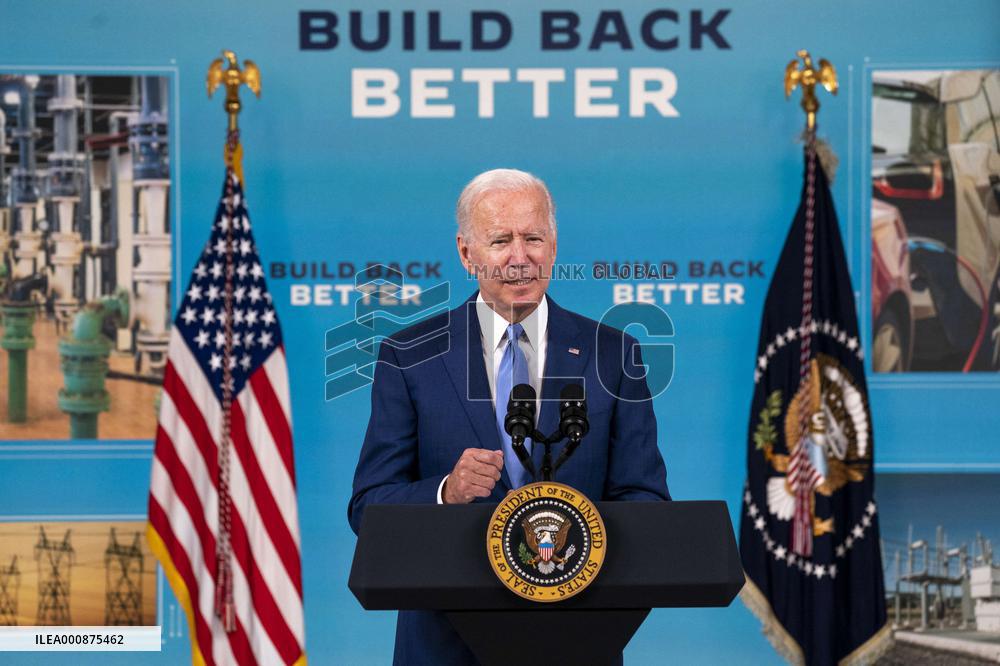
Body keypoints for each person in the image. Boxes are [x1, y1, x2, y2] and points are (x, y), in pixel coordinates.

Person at [348, 168, 670, 665]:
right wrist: (446, 492)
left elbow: (646, 500)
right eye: (501, 240)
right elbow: (368, 507)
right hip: (445, 644)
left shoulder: (613, 355)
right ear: (466, 253)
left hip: (576, 640)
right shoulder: (409, 355)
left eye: (533, 238)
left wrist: (576, 545)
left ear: (554, 245)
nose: (520, 258)